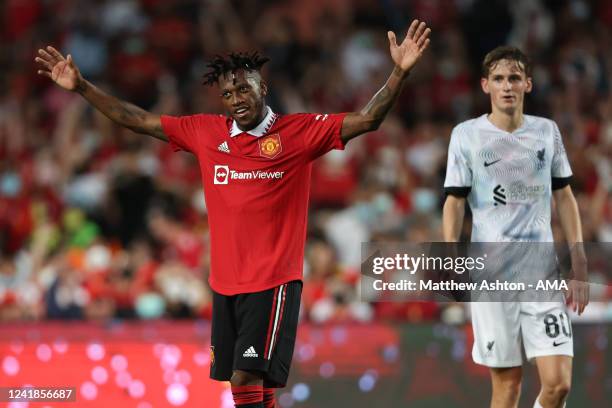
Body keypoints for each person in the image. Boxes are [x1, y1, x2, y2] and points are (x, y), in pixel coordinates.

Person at [36, 20, 431, 408]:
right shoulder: (206, 133)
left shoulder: (299, 133)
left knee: (246, 377)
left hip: (273, 280)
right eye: (228, 93)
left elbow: (368, 119)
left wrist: (399, 72)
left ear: (264, 86)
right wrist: (83, 87)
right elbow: (137, 120)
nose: (237, 98)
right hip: (225, 282)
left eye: (244, 87)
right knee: (248, 385)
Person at [442, 46, 589, 408]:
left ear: (528, 84)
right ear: (484, 85)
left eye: (513, 78)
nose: (506, 86)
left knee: (558, 385)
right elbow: (455, 201)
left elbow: (565, 196)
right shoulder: (466, 135)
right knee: (507, 389)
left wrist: (579, 257)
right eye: (498, 79)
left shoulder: (547, 132)